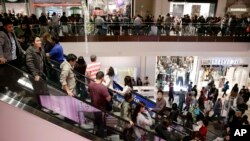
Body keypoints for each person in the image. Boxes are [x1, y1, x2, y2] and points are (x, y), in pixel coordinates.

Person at [26, 36, 49, 106]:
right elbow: (29, 63)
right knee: (38, 91)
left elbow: (44, 60)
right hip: (35, 75)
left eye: (40, 40)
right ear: (33, 43)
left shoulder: (41, 49)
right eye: (38, 41)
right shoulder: (29, 51)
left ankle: (47, 105)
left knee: (45, 90)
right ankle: (41, 106)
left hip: (42, 73)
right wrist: (35, 74)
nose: (40, 42)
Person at [88, 71, 111, 137]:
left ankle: (95, 135)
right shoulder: (103, 88)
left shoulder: (90, 85)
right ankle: (100, 137)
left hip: (93, 106)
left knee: (96, 121)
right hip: (101, 108)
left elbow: (89, 92)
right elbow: (108, 99)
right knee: (101, 124)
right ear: (102, 78)